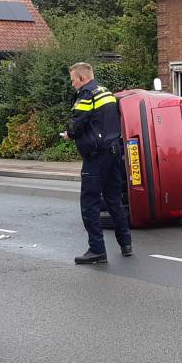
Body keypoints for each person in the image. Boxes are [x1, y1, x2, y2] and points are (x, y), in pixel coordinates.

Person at [64, 62, 132, 265]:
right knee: (113, 199)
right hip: (113, 151)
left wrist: (68, 133)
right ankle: (126, 243)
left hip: (96, 155)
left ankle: (97, 250)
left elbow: (76, 124)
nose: (73, 85)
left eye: (73, 80)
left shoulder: (87, 94)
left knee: (89, 203)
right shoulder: (107, 93)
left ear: (82, 78)